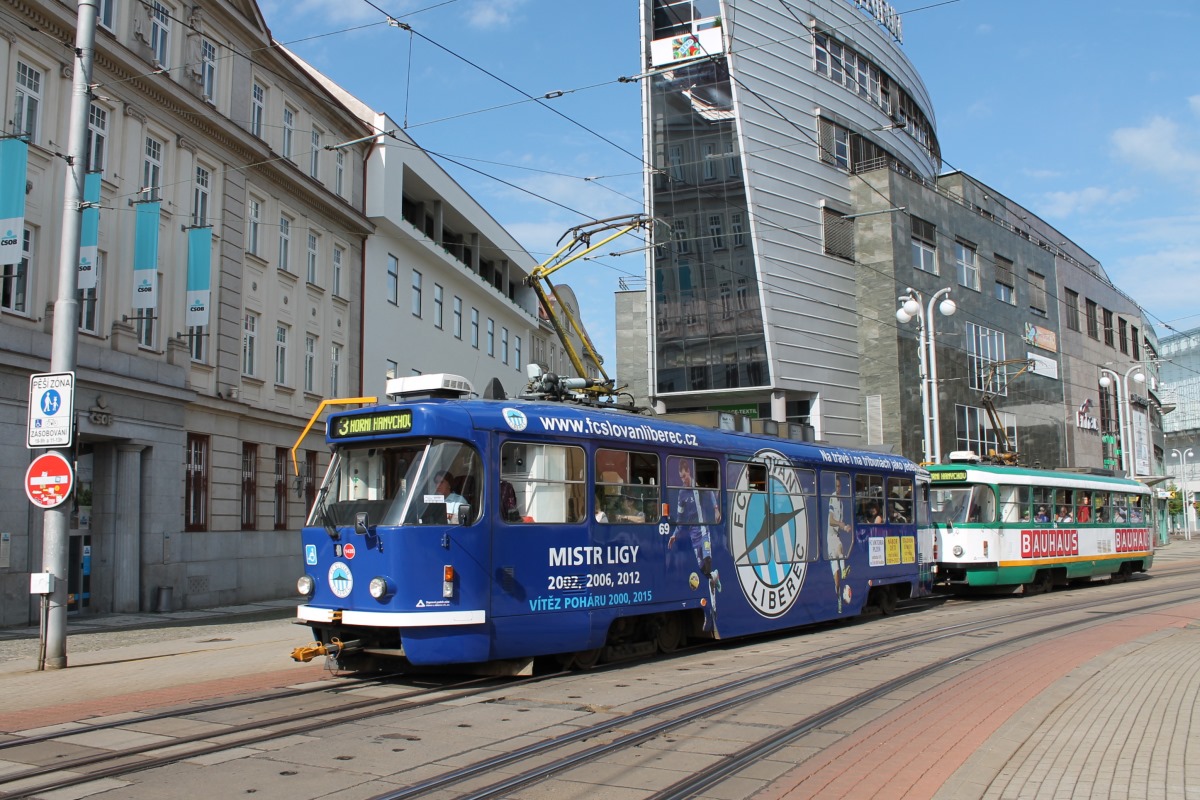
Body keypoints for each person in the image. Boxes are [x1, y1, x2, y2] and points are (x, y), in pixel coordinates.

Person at [668, 458, 721, 631]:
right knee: (704, 571)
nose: (684, 479)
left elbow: (712, 493)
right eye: (681, 477)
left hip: (704, 530)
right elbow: (681, 518)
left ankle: (713, 610)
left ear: (689, 472)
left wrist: (715, 508)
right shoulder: (682, 495)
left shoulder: (698, 487)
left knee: (707, 561)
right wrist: (675, 535)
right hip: (693, 536)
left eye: (685, 475)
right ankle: (714, 577)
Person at [827, 475, 853, 613]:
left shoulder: (841, 503)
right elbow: (831, 521)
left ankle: (843, 573)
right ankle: (838, 596)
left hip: (836, 537)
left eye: (839, 486)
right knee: (835, 575)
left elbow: (840, 522)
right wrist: (842, 526)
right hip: (830, 537)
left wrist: (846, 527)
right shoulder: (832, 498)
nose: (838, 489)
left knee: (841, 550)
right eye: (836, 486)